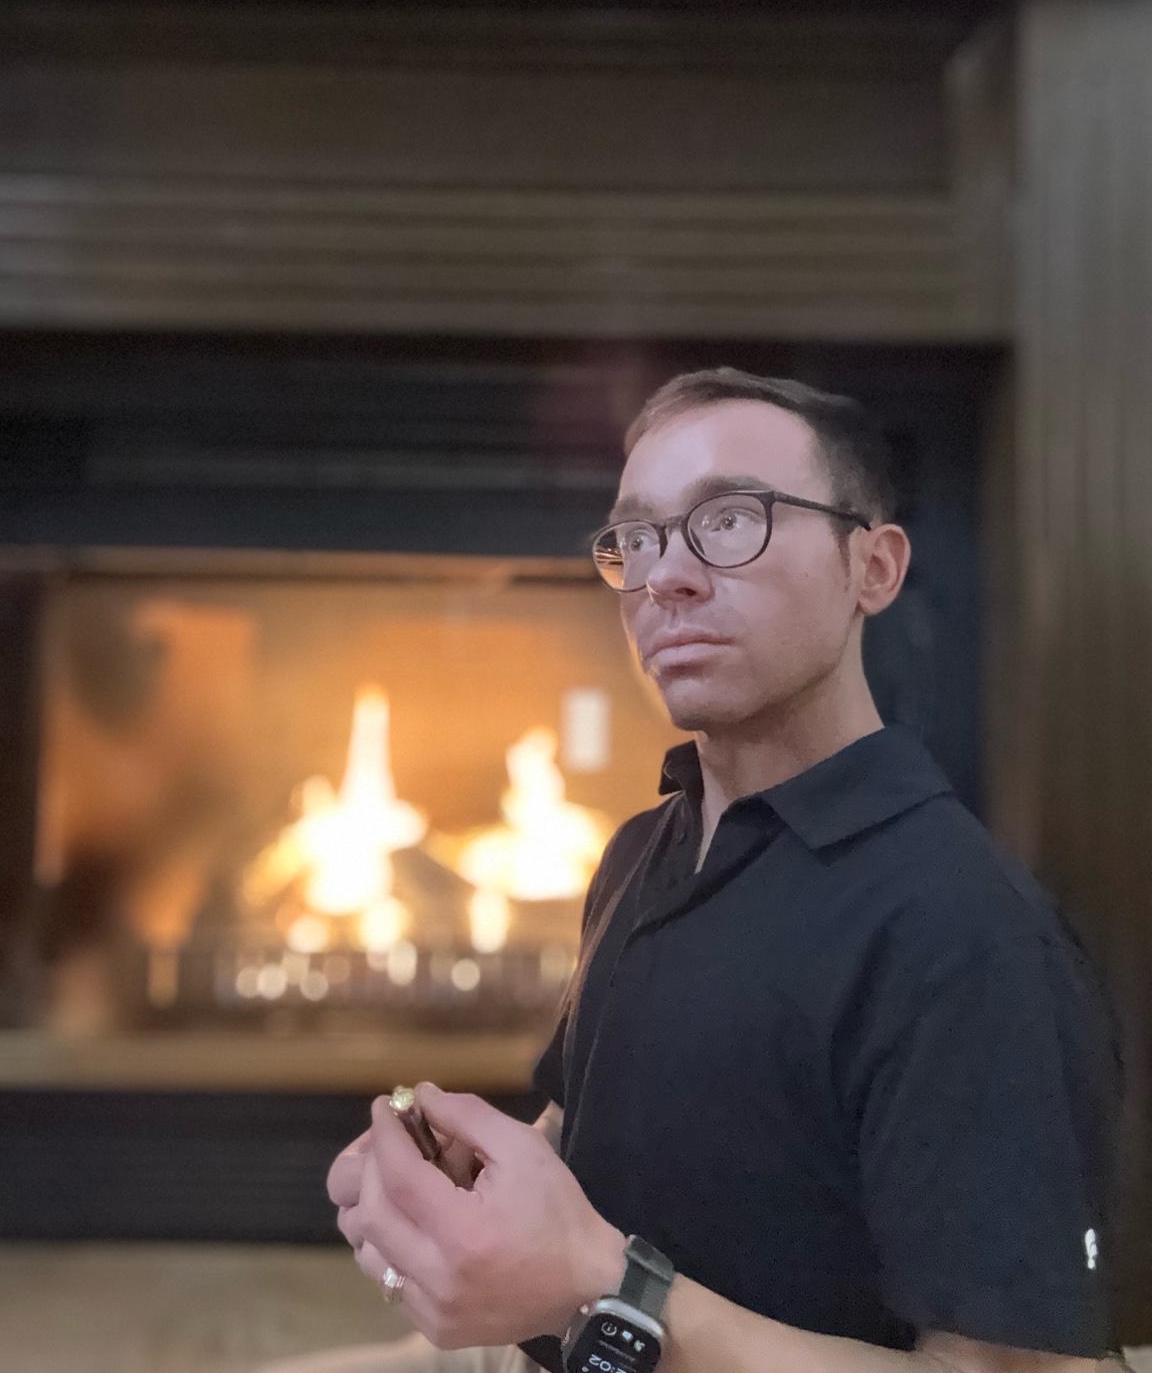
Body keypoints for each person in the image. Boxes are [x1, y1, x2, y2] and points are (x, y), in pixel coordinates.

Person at [285, 369, 1121, 1373]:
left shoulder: (966, 939)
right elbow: (579, 1135)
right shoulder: (644, 849)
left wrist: (600, 1287)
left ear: (875, 568)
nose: (666, 577)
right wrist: (461, 1190)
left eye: (731, 521)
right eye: (638, 539)